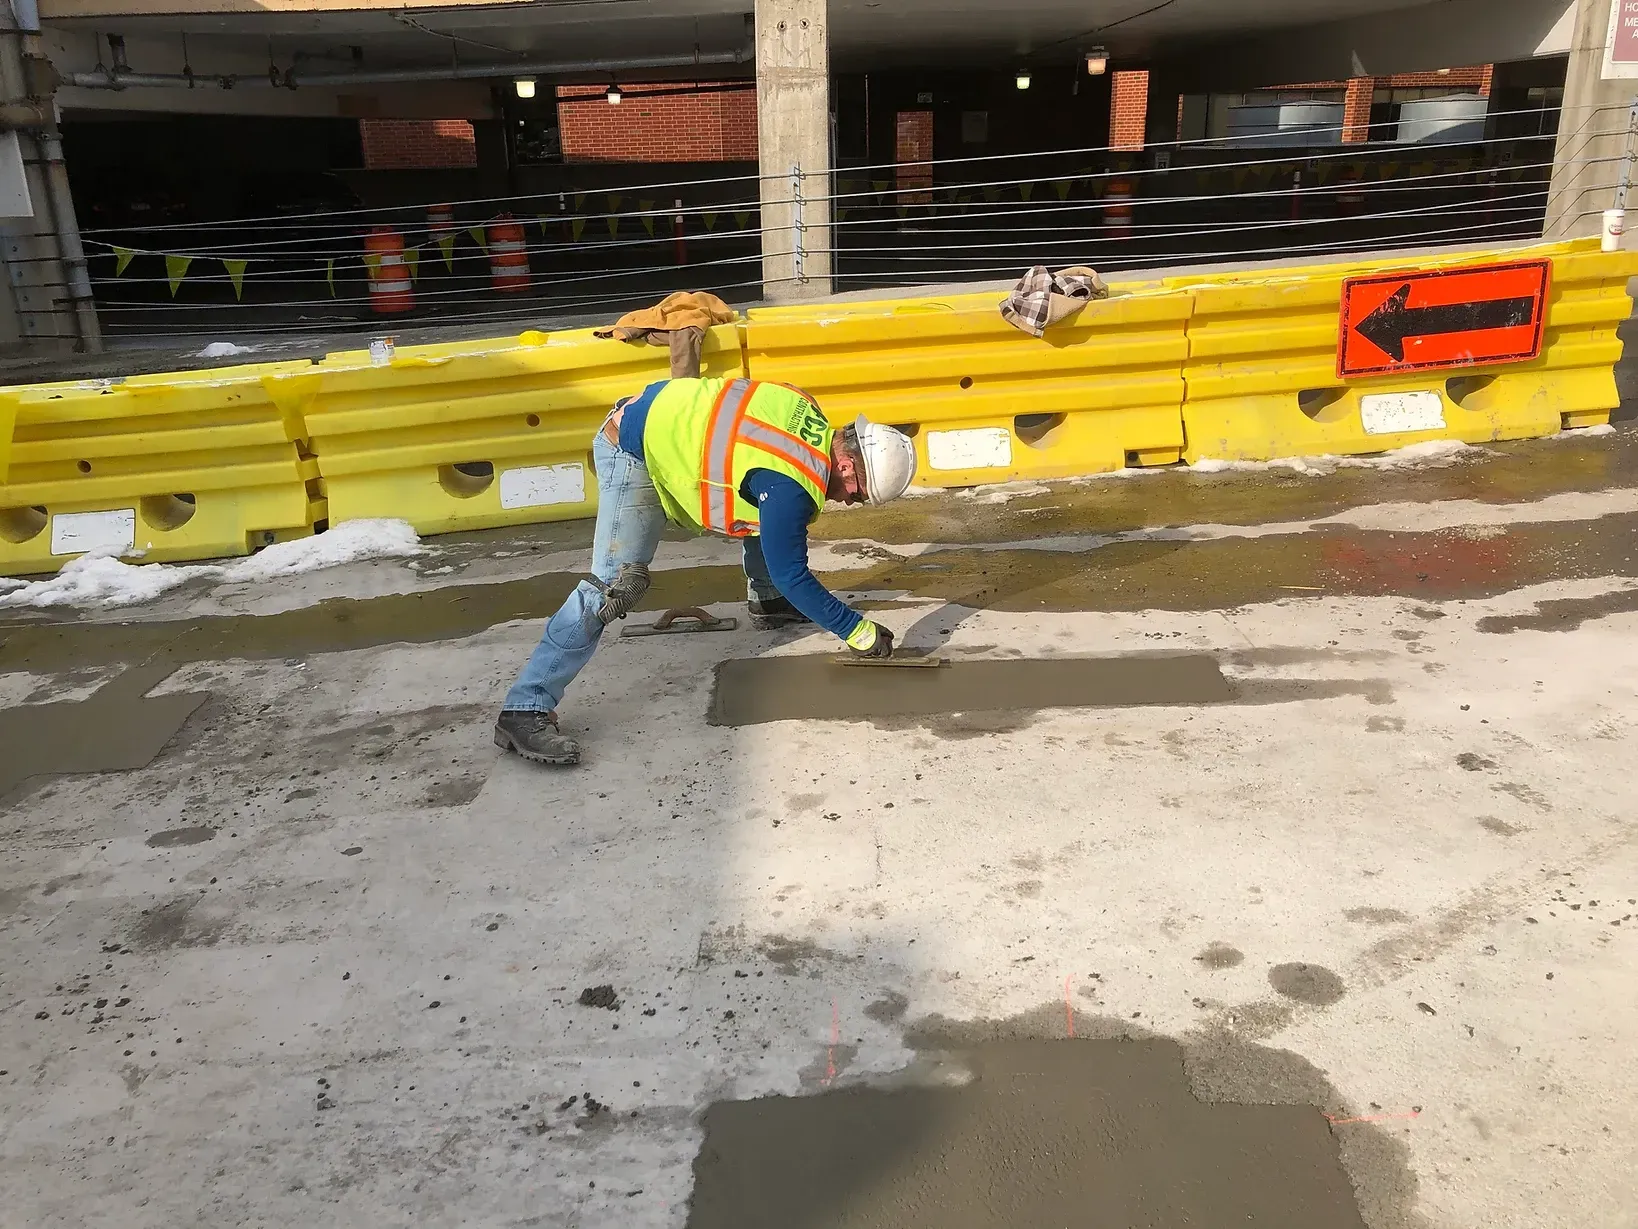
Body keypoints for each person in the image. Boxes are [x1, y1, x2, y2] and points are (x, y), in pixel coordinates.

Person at [494, 376, 919, 766]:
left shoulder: (806, 410)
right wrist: (856, 630)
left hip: (653, 414)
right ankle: (525, 707)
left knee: (769, 508)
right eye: (857, 494)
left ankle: (767, 602)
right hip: (632, 448)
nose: (849, 502)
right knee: (615, 586)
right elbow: (793, 572)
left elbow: (748, 443)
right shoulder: (790, 484)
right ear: (847, 467)